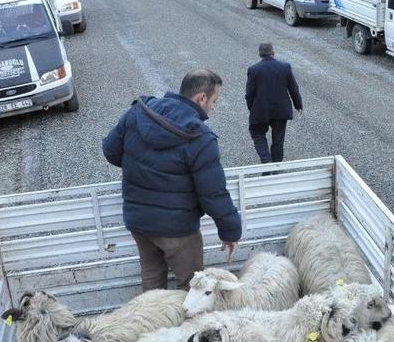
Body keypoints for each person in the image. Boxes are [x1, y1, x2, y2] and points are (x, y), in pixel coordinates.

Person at [102, 70, 242, 291]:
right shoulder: (201, 138)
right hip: (178, 230)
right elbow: (213, 193)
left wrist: (142, 167)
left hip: (139, 221)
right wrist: (230, 232)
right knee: (193, 287)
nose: (214, 106)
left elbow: (110, 151)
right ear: (201, 98)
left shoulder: (138, 112)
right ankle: (191, 326)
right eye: (214, 100)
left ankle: (152, 324)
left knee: (152, 283)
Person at [245, 43, 303, 165]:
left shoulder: (253, 70)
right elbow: (293, 88)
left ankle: (266, 162)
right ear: (273, 52)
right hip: (281, 111)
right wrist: (298, 105)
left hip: (260, 111)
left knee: (257, 134)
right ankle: (276, 168)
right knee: (278, 139)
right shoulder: (285, 67)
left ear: (260, 54)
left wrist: (252, 108)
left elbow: (249, 93)